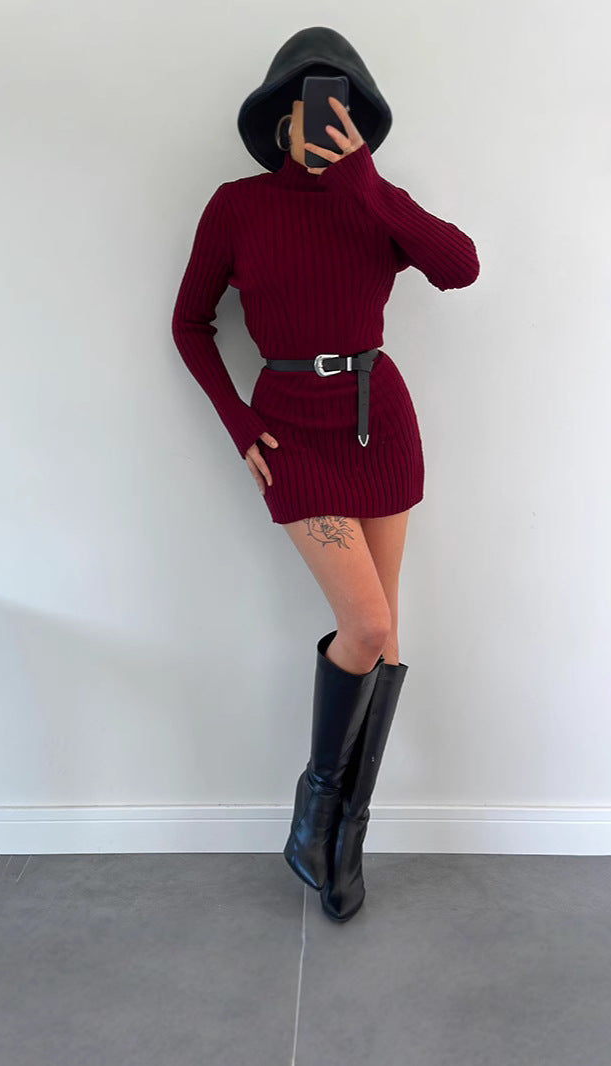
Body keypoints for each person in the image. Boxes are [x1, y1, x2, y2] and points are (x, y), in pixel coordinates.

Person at [171, 27, 480, 922]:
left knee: (387, 637)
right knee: (365, 623)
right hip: (290, 434)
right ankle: (314, 814)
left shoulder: (374, 200)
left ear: (356, 118)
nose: (322, 120)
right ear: (279, 118)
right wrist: (239, 424)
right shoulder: (237, 206)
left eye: (339, 105)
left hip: (379, 421)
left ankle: (346, 836)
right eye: (309, 105)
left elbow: (459, 268)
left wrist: (365, 185)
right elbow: (190, 324)